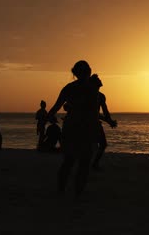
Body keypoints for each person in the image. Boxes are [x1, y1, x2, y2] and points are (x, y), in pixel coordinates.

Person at [47, 60, 100, 196]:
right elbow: (94, 109)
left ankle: (61, 190)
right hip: (86, 127)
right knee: (84, 162)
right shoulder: (92, 87)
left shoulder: (69, 88)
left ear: (75, 73)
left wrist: (50, 117)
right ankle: (77, 193)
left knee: (69, 161)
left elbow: (56, 107)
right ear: (88, 71)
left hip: (71, 126)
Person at [90, 74, 118, 170]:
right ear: (94, 83)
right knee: (98, 144)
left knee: (101, 144)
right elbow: (101, 113)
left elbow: (104, 112)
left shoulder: (101, 96)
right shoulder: (89, 95)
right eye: (98, 79)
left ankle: (94, 163)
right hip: (89, 123)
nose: (100, 80)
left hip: (94, 123)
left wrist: (109, 121)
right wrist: (109, 121)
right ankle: (93, 164)